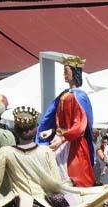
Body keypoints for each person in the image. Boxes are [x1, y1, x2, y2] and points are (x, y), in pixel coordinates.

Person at [38, 55, 96, 188]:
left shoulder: (79, 96)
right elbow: (62, 122)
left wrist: (63, 138)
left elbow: (80, 125)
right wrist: (52, 130)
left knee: (76, 179)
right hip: (63, 143)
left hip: (75, 145)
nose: (64, 74)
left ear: (74, 72)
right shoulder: (65, 94)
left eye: (66, 71)